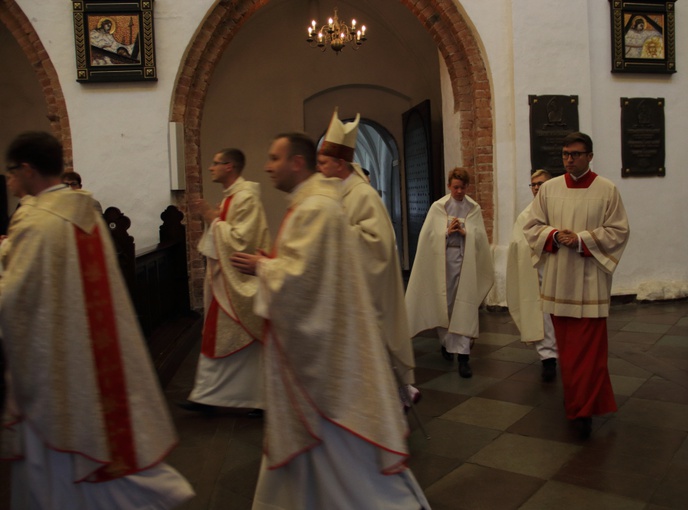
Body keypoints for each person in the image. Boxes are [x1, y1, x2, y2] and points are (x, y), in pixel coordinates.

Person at [230, 132, 430, 509]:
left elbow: (304, 277)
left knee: (340, 448)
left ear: (297, 163)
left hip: (327, 355)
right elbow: (306, 267)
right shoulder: (312, 202)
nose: (267, 166)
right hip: (325, 334)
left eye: (274, 157)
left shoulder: (317, 207)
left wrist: (264, 267)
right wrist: (272, 263)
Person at [0, 131, 194, 508]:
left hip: (55, 367)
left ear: (27, 170)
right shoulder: (83, 213)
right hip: (92, 354)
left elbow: (13, 301)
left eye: (10, 172)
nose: (8, 181)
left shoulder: (36, 223)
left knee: (57, 468)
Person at [523, 132, 630, 439]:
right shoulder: (550, 189)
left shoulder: (607, 190)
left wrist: (581, 239)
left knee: (590, 352)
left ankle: (584, 410)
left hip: (591, 283)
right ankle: (577, 405)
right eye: (566, 154)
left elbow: (618, 231)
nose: (570, 159)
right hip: (559, 282)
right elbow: (532, 226)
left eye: (576, 154)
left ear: (590, 156)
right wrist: (555, 236)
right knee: (569, 353)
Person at [316, 108, 418, 406]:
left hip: (367, 293)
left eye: (322, 162)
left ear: (339, 163)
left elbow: (378, 245)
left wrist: (335, 229)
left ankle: (391, 404)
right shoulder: (340, 191)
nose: (318, 168)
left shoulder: (362, 195)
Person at [178, 148, 271, 418]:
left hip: (236, 282)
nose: (210, 168)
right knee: (221, 337)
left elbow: (243, 241)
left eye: (216, 163)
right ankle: (209, 395)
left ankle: (258, 398)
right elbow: (227, 233)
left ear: (230, 167)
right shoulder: (232, 197)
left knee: (231, 337)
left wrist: (210, 216)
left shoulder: (245, 199)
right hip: (225, 281)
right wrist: (215, 218)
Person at [405, 167, 493, 378]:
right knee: (445, 305)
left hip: (465, 262)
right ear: (449, 186)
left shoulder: (474, 208)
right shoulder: (438, 207)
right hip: (442, 263)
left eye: (463, 187)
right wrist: (446, 232)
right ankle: (446, 343)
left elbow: (480, 239)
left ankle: (463, 357)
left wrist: (465, 232)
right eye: (455, 187)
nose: (459, 191)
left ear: (467, 187)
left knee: (464, 305)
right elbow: (428, 237)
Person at [506, 169, 558, 382]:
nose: (537, 188)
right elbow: (518, 244)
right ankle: (548, 357)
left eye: (541, 184)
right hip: (537, 271)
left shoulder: (560, 210)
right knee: (543, 316)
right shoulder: (525, 216)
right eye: (533, 185)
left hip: (559, 271)